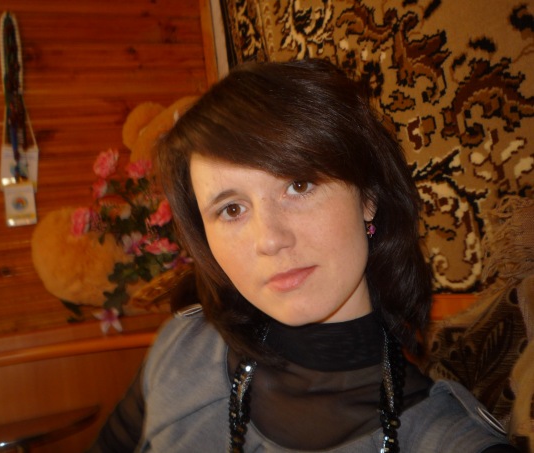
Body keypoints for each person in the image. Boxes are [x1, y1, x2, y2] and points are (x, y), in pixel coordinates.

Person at [89, 59, 517, 452]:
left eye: (299, 185)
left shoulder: (439, 436)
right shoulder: (181, 347)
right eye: (232, 209)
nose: (269, 239)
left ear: (367, 196)